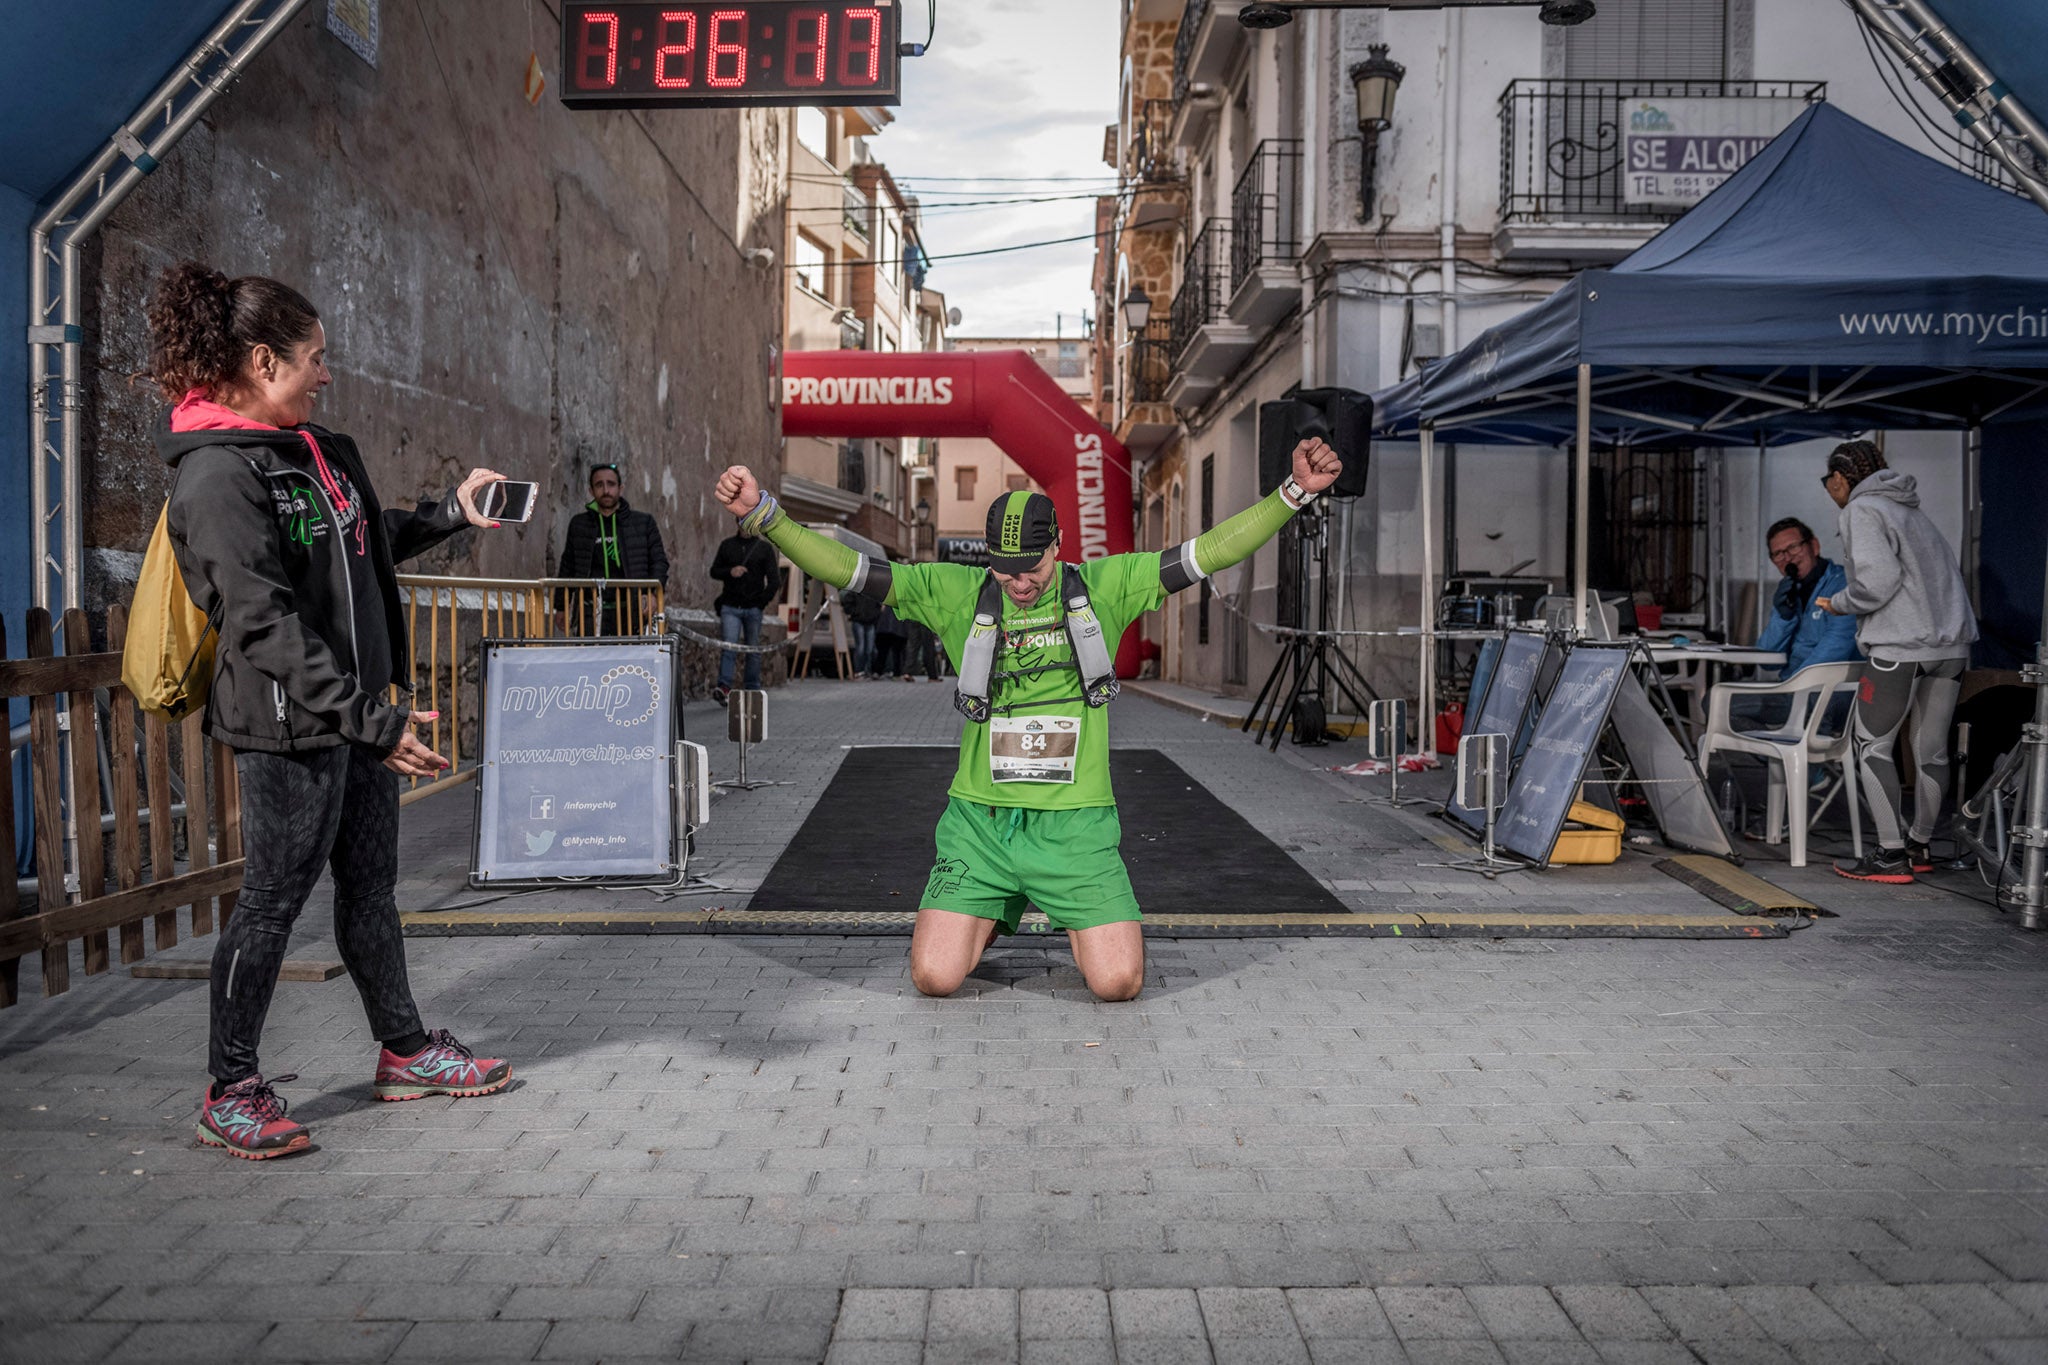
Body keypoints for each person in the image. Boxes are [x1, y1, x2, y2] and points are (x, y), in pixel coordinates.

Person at [712, 437, 1344, 1001]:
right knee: (934, 978)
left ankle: (1056, 908)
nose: (1016, 584)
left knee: (1117, 983)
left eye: (1032, 571)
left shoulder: (1108, 585)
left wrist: (1291, 495)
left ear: (1059, 549)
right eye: (1004, 570)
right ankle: (990, 904)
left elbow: (1210, 550)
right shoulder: (956, 592)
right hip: (980, 825)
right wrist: (765, 515)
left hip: (1075, 828)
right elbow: (846, 569)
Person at [149, 261, 511, 1160]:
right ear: (264, 362)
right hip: (289, 724)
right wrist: (373, 721)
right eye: (316, 357)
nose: (327, 372)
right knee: (270, 904)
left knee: (370, 893)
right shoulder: (216, 477)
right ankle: (229, 1087)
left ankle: (406, 1049)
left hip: (354, 716)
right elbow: (262, 622)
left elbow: (364, 543)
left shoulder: (317, 448)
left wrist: (449, 515)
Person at [1815, 440, 1978, 883]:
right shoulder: (1911, 511)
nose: (1829, 492)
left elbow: (1877, 581)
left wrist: (1840, 603)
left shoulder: (1862, 510)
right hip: (1951, 647)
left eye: (1827, 484)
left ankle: (1889, 855)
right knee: (1931, 751)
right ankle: (1919, 844)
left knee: (1872, 745)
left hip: (1900, 647)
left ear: (1838, 479)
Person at [1726, 516, 1862, 732]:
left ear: (1814, 546)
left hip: (1835, 692)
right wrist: (1783, 616)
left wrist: (1793, 685)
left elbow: (1835, 649)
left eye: (1793, 547)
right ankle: (1780, 763)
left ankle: (1804, 763)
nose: (1787, 557)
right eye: (1778, 554)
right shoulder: (1791, 592)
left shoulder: (1842, 585)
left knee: (1808, 706)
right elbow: (1767, 658)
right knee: (1721, 705)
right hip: (1796, 690)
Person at [553, 463, 670, 635]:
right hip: (590, 613)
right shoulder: (579, 524)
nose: (606, 490)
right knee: (590, 660)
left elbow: (659, 562)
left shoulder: (643, 523)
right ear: (591, 491)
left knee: (630, 661)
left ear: (621, 488)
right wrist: (560, 607)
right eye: (599, 485)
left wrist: (653, 593)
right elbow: (567, 567)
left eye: (611, 484)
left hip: (632, 611)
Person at [708, 523, 783, 704]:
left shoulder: (764, 549)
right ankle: (724, 687)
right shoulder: (727, 545)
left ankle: (752, 689)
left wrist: (760, 602)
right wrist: (730, 572)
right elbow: (714, 571)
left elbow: (774, 580)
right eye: (743, 523)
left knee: (753, 649)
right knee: (729, 647)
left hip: (753, 608)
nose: (746, 528)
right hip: (730, 606)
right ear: (738, 524)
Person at [841, 586, 880, 678]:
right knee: (861, 648)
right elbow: (847, 603)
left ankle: (867, 670)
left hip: (870, 622)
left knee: (869, 649)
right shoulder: (855, 591)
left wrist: (875, 615)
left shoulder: (873, 593)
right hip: (859, 621)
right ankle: (859, 671)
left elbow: (878, 606)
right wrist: (855, 613)